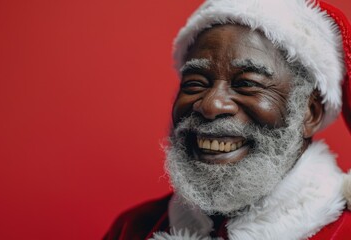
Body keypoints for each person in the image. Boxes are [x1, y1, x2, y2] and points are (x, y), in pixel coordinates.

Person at [103, 0, 351, 239]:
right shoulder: (133, 228)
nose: (211, 105)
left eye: (247, 84)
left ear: (310, 112)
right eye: (195, 83)